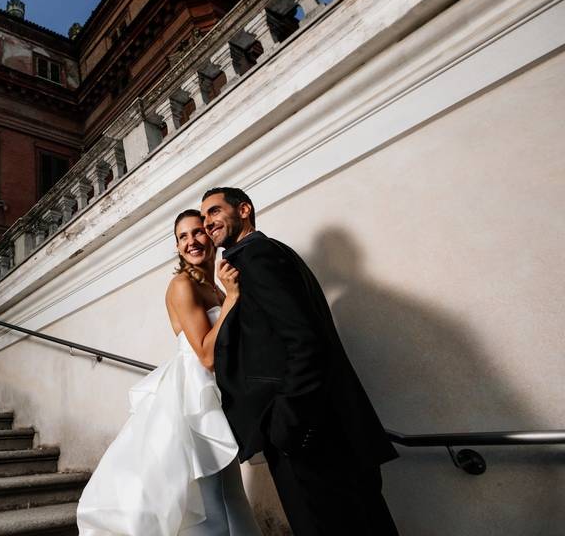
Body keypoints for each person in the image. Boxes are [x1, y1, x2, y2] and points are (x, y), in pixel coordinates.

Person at [200, 187, 399, 535]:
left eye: (215, 211)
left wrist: (286, 424)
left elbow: (305, 342)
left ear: (244, 210)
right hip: (329, 429)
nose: (208, 222)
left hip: (309, 438)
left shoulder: (255, 257)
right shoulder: (273, 253)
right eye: (204, 217)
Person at [77, 210, 262, 536]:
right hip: (194, 399)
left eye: (197, 232)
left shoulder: (216, 288)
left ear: (209, 235)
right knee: (213, 507)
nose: (191, 241)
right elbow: (206, 354)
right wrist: (234, 298)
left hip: (217, 396)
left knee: (229, 497)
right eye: (182, 237)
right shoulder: (182, 286)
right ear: (177, 247)